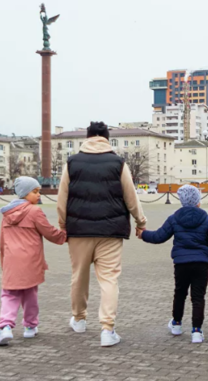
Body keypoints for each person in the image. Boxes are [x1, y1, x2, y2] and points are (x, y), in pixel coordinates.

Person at [57, 121, 147, 347]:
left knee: (79, 276)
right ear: (107, 138)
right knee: (109, 279)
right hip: (110, 231)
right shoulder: (118, 163)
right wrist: (140, 221)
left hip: (78, 231)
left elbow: (62, 198)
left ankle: (79, 320)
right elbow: (131, 196)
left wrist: (62, 225)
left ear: (87, 137)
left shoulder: (72, 162)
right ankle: (107, 329)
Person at [140, 185, 208, 344]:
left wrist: (143, 234)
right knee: (198, 297)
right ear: (198, 201)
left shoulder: (175, 218)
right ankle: (197, 331)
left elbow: (159, 236)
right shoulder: (207, 219)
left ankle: (176, 324)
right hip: (201, 264)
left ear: (182, 200)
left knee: (180, 293)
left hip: (181, 263)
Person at [0, 177, 67, 346]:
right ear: (24, 194)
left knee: (9, 294)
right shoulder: (35, 211)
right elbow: (49, 232)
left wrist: (3, 262)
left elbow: (2, 241)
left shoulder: (6, 214)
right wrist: (65, 235)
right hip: (30, 259)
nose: (38, 195)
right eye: (35, 192)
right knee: (30, 294)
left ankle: (5, 326)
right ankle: (30, 326)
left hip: (11, 260)